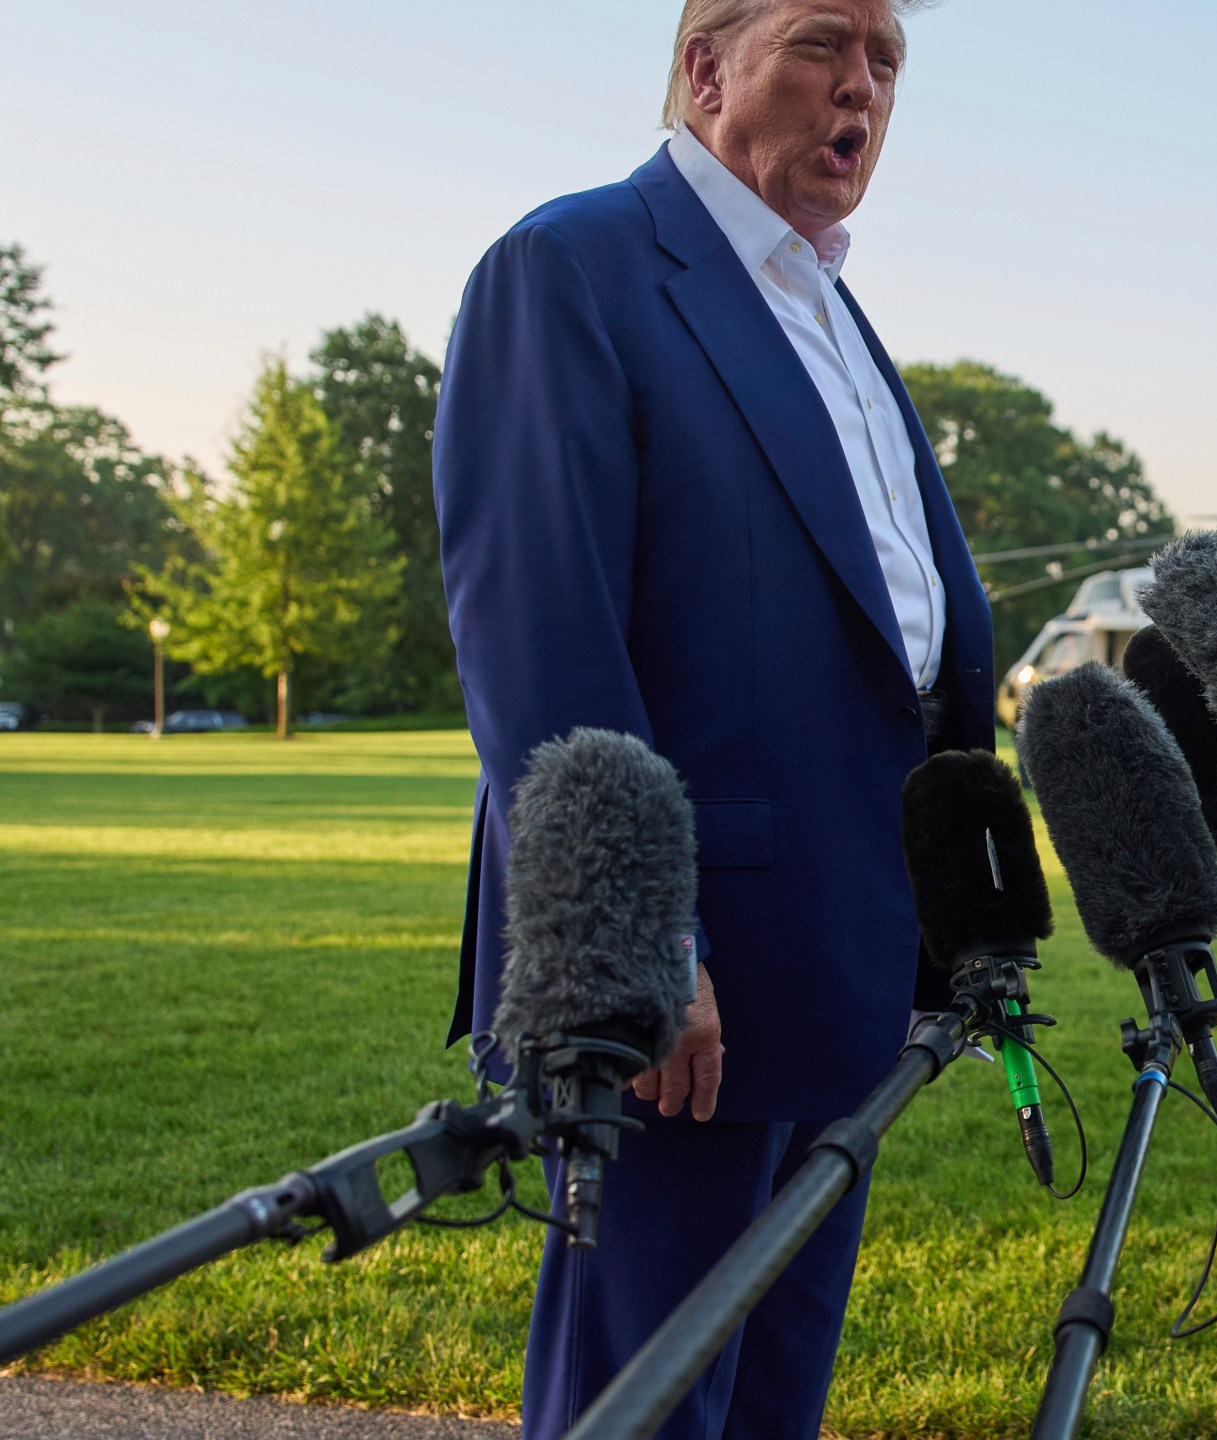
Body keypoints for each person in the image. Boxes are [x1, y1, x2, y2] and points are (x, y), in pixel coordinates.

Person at [431, 2, 989, 1435]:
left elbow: (898, 630)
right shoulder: (571, 265)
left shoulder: (829, 307)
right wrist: (647, 946)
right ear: (704, 69)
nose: (861, 88)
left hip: (844, 958)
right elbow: (540, 637)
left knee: (770, 1399)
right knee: (644, 1399)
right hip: (689, 988)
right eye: (821, 44)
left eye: (885, 62)